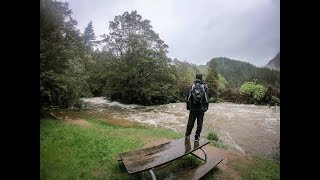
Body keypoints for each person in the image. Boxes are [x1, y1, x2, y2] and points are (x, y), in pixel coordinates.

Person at [185, 73, 209, 141]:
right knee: (200, 123)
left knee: (190, 122)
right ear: (201, 78)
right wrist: (205, 108)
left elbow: (188, 97)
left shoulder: (192, 85)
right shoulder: (205, 86)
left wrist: (188, 108)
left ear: (196, 77)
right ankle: (197, 137)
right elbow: (206, 99)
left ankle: (187, 135)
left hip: (193, 108)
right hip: (201, 109)